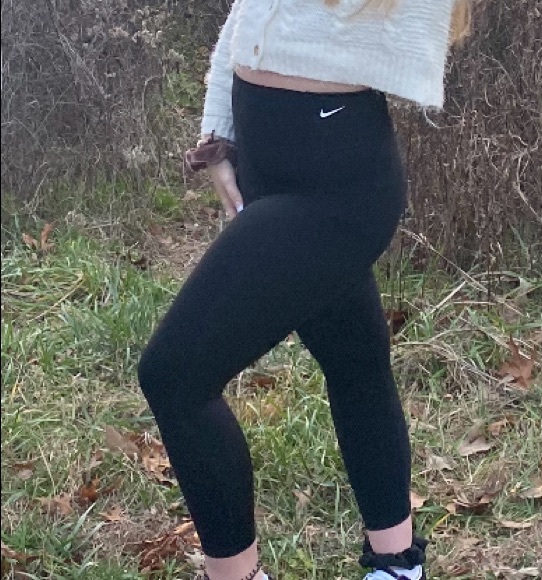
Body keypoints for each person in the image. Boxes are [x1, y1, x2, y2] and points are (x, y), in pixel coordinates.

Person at [137, 1, 471, 579]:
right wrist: (219, 137)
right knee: (355, 360)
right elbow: (246, 18)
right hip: (269, 168)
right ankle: (397, 565)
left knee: (175, 375)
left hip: (337, 188)